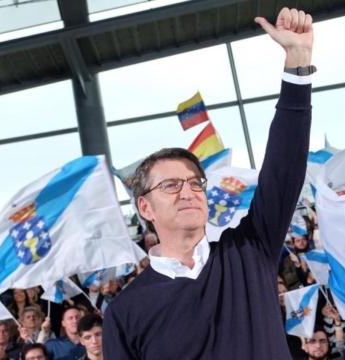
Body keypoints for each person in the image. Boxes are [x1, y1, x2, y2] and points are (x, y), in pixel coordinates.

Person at [103, 7, 314, 359]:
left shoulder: (250, 250)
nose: (188, 192)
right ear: (145, 207)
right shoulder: (125, 312)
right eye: (170, 186)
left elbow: (283, 168)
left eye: (195, 183)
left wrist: (298, 61)